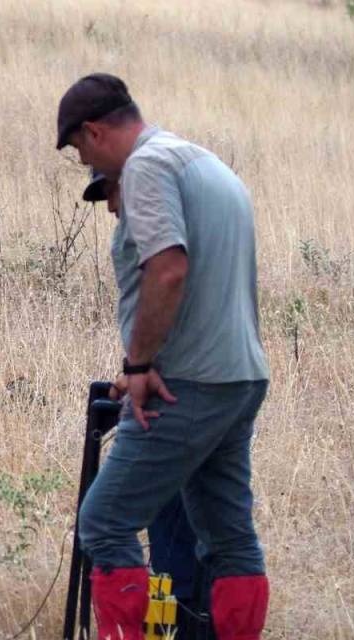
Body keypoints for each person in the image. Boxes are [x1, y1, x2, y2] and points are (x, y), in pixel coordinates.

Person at [57, 73, 271, 639]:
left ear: (95, 132)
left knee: (104, 523)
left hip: (189, 384)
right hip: (240, 377)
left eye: (82, 154)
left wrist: (138, 366)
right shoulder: (204, 162)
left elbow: (168, 269)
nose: (93, 175)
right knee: (228, 539)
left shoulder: (148, 166)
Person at [85, 171, 214, 639]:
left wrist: (142, 373)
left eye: (114, 193)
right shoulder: (166, 239)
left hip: (185, 405)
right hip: (192, 399)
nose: (111, 208)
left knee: (127, 525)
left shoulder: (170, 249)